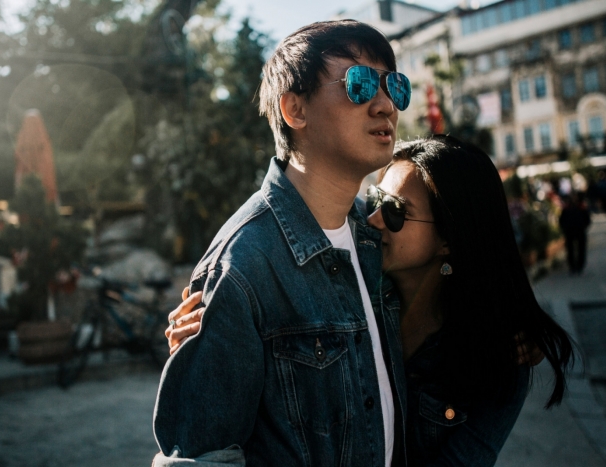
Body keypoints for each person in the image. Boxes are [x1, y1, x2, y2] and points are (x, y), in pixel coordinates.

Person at [167, 135, 574, 466]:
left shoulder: (501, 359)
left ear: (450, 239)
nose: (374, 220)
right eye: (375, 201)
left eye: (396, 211)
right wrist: (218, 333)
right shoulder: (352, 288)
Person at [153, 20, 412, 466]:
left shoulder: (380, 237)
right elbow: (201, 456)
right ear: (295, 109)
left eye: (394, 86)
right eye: (360, 83)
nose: (385, 105)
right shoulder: (244, 266)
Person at [559, 192, 592, 275]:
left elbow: (587, 219)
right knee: (573, 249)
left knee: (576, 249)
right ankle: (575, 266)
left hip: (575, 230)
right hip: (573, 230)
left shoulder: (579, 207)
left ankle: (577, 266)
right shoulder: (573, 207)